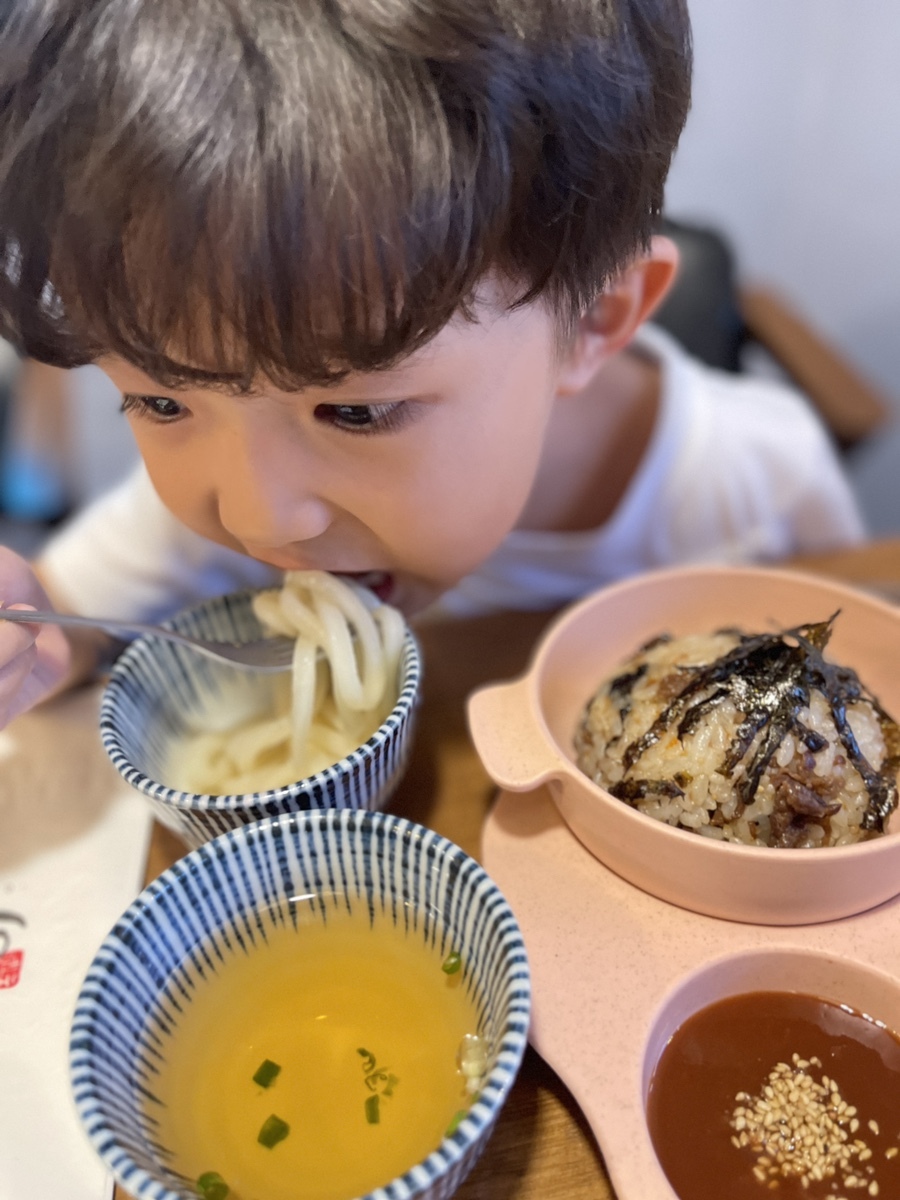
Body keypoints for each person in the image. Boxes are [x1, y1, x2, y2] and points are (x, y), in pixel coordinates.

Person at [0, 0, 862, 731]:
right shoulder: (223, 505)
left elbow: (851, 659)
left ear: (592, 322)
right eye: (159, 402)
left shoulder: (759, 491)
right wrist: (28, 645)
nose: (260, 521)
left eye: (356, 412)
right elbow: (64, 621)